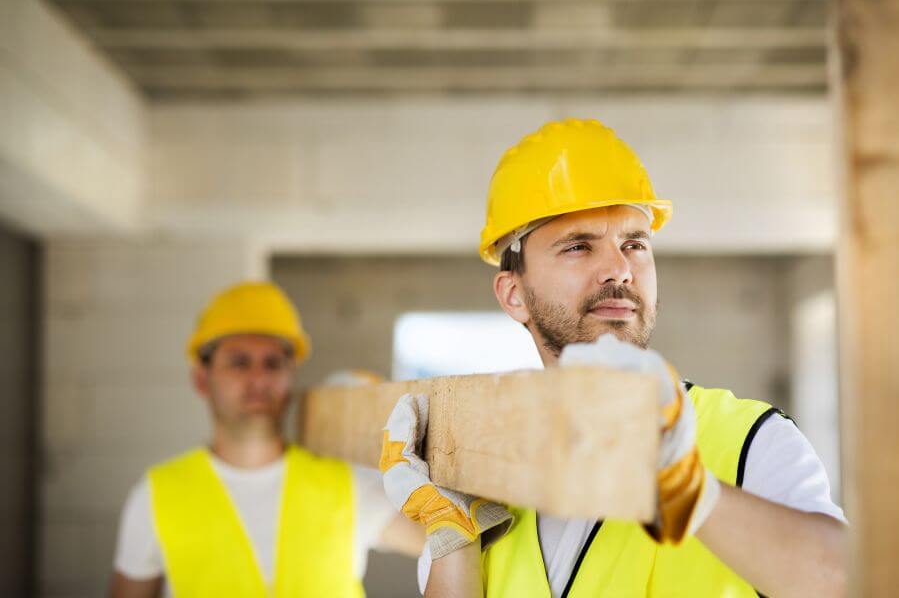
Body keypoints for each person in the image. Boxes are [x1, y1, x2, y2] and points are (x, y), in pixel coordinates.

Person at [379, 119, 847, 597]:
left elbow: (851, 585)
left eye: (635, 244)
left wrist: (690, 493)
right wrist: (450, 534)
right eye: (579, 246)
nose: (619, 269)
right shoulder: (480, 481)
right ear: (513, 293)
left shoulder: (749, 440)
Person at [109, 281, 423, 598]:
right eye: (239, 362)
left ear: (290, 376)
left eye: (273, 363)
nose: (259, 378)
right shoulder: (156, 496)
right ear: (202, 379)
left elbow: (444, 537)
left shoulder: (346, 483)